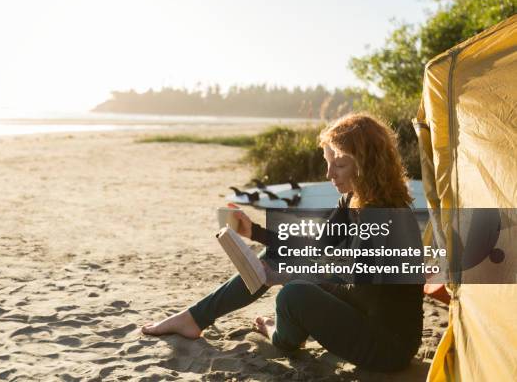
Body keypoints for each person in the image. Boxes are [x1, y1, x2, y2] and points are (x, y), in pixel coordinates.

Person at [142, 114, 424, 372]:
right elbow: (317, 245)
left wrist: (292, 278)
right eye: (328, 163)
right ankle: (195, 318)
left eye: (338, 164)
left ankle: (280, 334)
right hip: (362, 315)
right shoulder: (353, 199)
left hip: (387, 347)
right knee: (281, 256)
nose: (329, 174)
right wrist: (256, 232)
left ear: (367, 165)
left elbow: (359, 295)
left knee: (293, 294)